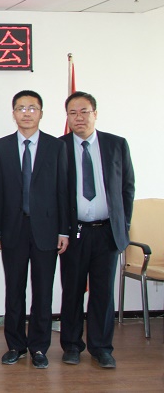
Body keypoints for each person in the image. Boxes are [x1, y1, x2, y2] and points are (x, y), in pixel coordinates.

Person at [0, 90, 69, 369]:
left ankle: (38, 347)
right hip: (12, 229)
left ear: (41, 113)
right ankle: (15, 345)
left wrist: (64, 230)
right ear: (13, 113)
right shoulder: (0, 147)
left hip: (46, 230)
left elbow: (63, 190)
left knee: (43, 291)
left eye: (32, 108)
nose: (26, 113)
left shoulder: (56, 146)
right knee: (14, 290)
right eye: (21, 108)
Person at [59, 91, 134, 369]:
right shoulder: (58, 147)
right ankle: (71, 346)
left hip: (107, 232)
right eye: (73, 113)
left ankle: (101, 348)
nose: (79, 117)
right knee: (72, 291)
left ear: (95, 113)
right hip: (74, 232)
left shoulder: (116, 144)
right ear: (67, 117)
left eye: (84, 111)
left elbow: (127, 188)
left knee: (103, 292)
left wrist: (122, 227)